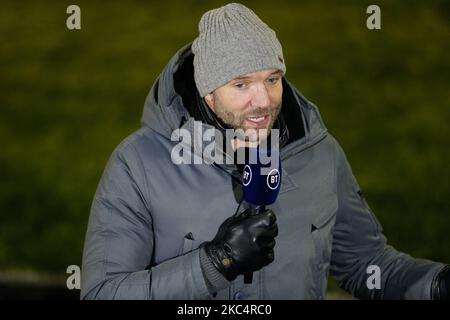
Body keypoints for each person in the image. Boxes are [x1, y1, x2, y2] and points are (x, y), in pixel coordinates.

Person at [80, 3, 449, 300]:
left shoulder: (319, 153)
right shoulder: (139, 164)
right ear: (208, 91)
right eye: (241, 84)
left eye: (272, 79)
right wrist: (216, 262)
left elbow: (366, 264)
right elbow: (102, 293)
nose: (263, 101)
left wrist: (436, 284)